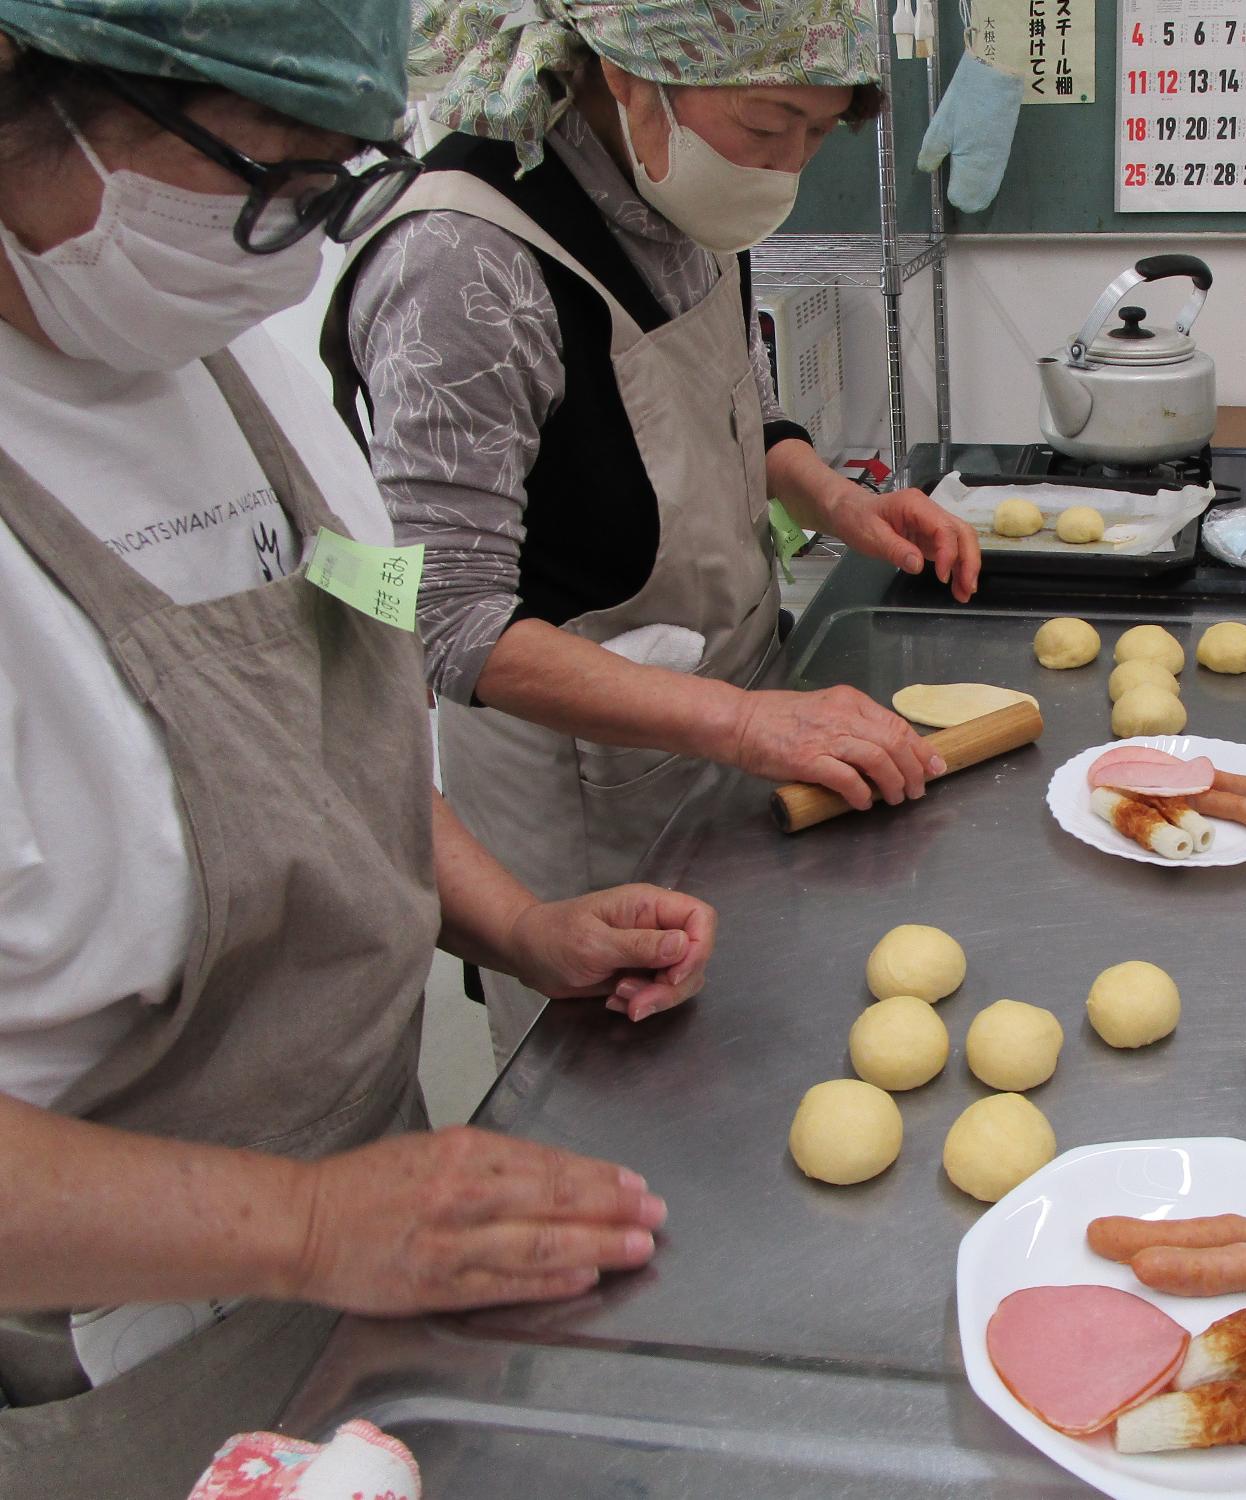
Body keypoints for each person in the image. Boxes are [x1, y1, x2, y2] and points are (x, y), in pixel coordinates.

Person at [0, 7, 719, 1494]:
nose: (295, 246)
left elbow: (355, 699)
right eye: (266, 172)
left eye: (336, 181)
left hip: (372, 1204)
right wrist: (312, 1227)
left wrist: (519, 924)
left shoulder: (239, 363)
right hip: (122, 1319)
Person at [331, 0, 983, 1057]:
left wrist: (837, 500)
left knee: (774, 1049)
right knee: (627, 1095)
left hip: (744, 724)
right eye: (766, 125)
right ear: (631, 75)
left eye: (819, 134)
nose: (785, 168)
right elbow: (443, 617)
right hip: (587, 798)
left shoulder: (682, 191)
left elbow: (734, 406)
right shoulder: (461, 264)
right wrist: (742, 724)